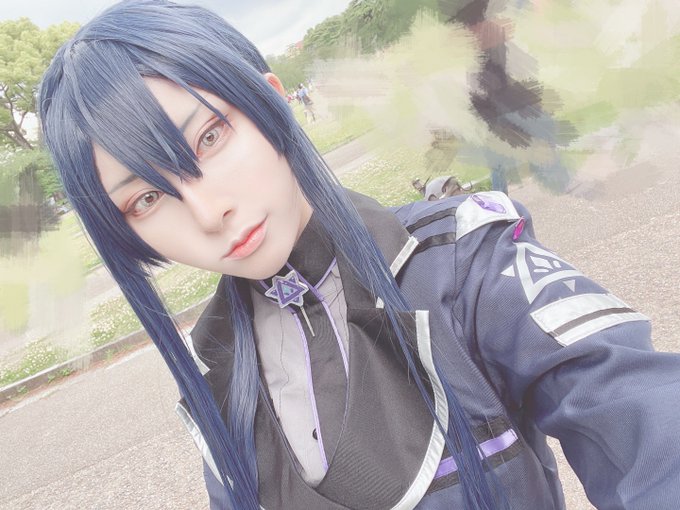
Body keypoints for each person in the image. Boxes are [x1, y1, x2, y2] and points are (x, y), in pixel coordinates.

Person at [39, 1, 680, 509]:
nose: (208, 213)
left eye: (210, 138)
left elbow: (647, 427)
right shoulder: (214, 370)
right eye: (148, 198)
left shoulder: (463, 263)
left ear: (273, 101)